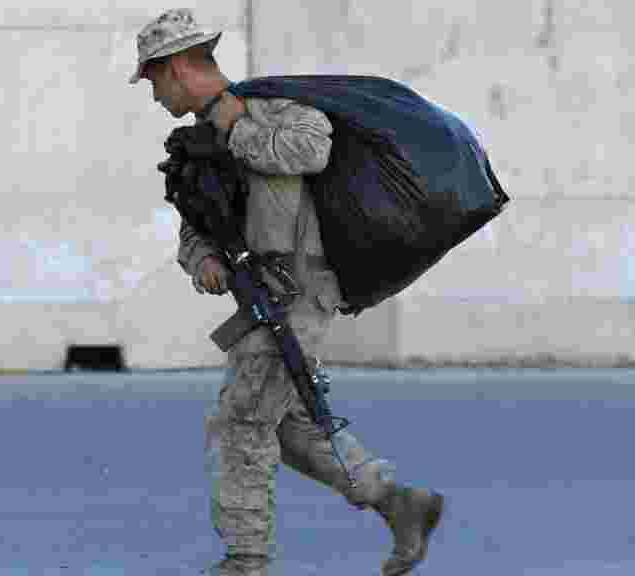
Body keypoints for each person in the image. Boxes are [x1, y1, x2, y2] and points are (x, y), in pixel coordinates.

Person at [129, 9, 444, 575]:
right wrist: (202, 260)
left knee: (241, 423)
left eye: (153, 78)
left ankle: (245, 561)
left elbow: (310, 151)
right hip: (258, 300)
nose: (152, 94)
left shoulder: (268, 109)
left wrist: (236, 128)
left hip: (297, 295)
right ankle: (399, 504)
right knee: (293, 431)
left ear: (176, 67)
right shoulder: (197, 140)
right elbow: (195, 222)